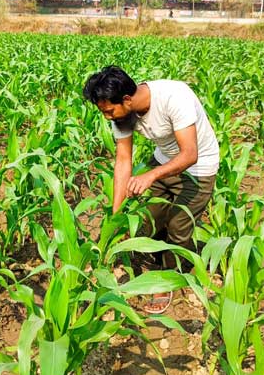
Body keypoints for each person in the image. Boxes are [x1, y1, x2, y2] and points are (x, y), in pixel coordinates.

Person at [83, 66, 219, 313]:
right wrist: (117, 215)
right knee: (150, 220)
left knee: (179, 228)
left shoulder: (174, 97)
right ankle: (151, 258)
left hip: (198, 169)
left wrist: (150, 175)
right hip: (164, 162)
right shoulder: (122, 115)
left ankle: (166, 280)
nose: (107, 117)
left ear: (126, 99)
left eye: (109, 111)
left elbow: (190, 154)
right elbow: (123, 161)